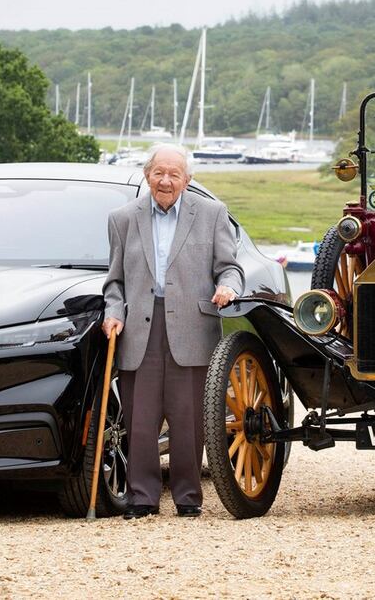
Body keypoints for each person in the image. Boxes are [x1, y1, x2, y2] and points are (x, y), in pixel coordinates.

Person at [102, 144, 243, 519]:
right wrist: (113, 312)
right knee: (140, 419)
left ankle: (187, 498)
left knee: (188, 419)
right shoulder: (123, 218)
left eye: (174, 174)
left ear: (187, 180)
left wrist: (228, 288)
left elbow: (230, 268)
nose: (165, 181)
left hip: (193, 327)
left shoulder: (212, 214)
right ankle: (142, 498)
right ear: (147, 175)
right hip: (139, 329)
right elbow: (114, 282)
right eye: (158, 173)